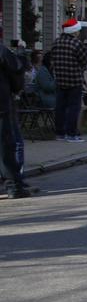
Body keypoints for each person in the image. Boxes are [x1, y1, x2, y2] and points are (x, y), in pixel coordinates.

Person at [50, 18, 87, 142]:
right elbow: (85, 60)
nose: (78, 33)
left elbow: (52, 59)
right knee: (73, 108)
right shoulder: (77, 44)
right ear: (74, 32)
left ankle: (60, 132)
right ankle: (72, 133)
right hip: (74, 80)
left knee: (60, 107)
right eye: (78, 31)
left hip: (60, 79)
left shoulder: (56, 43)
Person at [0, 42, 29, 198]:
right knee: (5, 146)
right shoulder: (3, 52)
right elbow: (17, 69)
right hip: (2, 104)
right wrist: (21, 53)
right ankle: (13, 186)